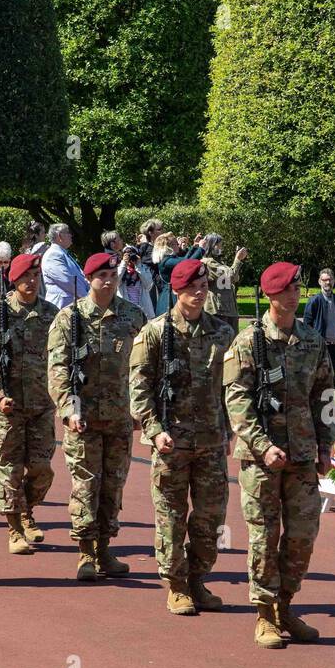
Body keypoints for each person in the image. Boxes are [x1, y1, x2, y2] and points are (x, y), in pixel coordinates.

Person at [224, 261, 333, 647]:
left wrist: (325, 443)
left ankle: (286, 605)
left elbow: (324, 395)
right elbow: (237, 402)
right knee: (263, 538)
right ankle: (265, 613)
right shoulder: (248, 342)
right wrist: (261, 444)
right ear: (271, 295)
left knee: (303, 535)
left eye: (298, 286)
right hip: (261, 459)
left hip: (302, 455)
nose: (296, 293)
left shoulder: (311, 339)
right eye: (288, 288)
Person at [129, 257, 234, 611]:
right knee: (171, 518)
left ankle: (198, 579)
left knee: (210, 518)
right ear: (176, 290)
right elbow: (139, 388)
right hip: (170, 442)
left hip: (210, 442)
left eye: (204, 286)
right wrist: (154, 430)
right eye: (192, 287)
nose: (200, 292)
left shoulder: (222, 332)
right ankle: (176, 585)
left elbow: (234, 388)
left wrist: (232, 429)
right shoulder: (156, 332)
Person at [49, 251, 148, 581]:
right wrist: (68, 408)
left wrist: (140, 408)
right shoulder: (70, 319)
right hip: (84, 418)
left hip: (120, 417)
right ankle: (85, 552)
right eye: (100, 276)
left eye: (112, 275)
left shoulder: (133, 316)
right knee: (86, 485)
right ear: (88, 279)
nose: (107, 281)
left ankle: (105, 548)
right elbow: (58, 369)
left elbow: (144, 367)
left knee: (113, 485)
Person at [0, 252, 57, 555]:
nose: (32, 282)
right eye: (26, 277)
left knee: (41, 468)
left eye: (36, 277)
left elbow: (62, 359)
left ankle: (26, 511)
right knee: (7, 470)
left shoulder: (52, 315)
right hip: (5, 409)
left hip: (41, 405)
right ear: (14, 280)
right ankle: (14, 528)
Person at [303, 267, 335, 377]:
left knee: (332, 375)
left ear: (334, 281)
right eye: (325, 280)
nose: (328, 282)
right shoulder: (314, 301)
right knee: (318, 376)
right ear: (319, 282)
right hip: (320, 346)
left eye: (330, 279)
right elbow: (307, 324)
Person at [199, 234, 246, 330]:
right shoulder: (208, 262)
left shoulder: (219, 262)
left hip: (229, 309)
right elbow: (231, 275)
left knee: (232, 341)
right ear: (210, 245)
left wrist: (237, 263)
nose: (221, 248)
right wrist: (237, 260)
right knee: (221, 341)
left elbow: (235, 279)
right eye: (218, 245)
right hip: (218, 310)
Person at [40, 224, 90, 310]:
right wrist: (88, 299)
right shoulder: (53, 255)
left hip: (72, 306)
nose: (71, 235)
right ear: (59, 236)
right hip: (61, 308)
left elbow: (79, 277)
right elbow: (68, 281)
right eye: (68, 232)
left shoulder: (62, 253)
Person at [116, 245, 155, 320]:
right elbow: (116, 283)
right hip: (125, 310)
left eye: (132, 254)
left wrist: (138, 266)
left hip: (143, 309)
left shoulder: (143, 268)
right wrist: (123, 264)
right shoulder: (119, 268)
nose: (130, 257)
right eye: (127, 254)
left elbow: (149, 285)